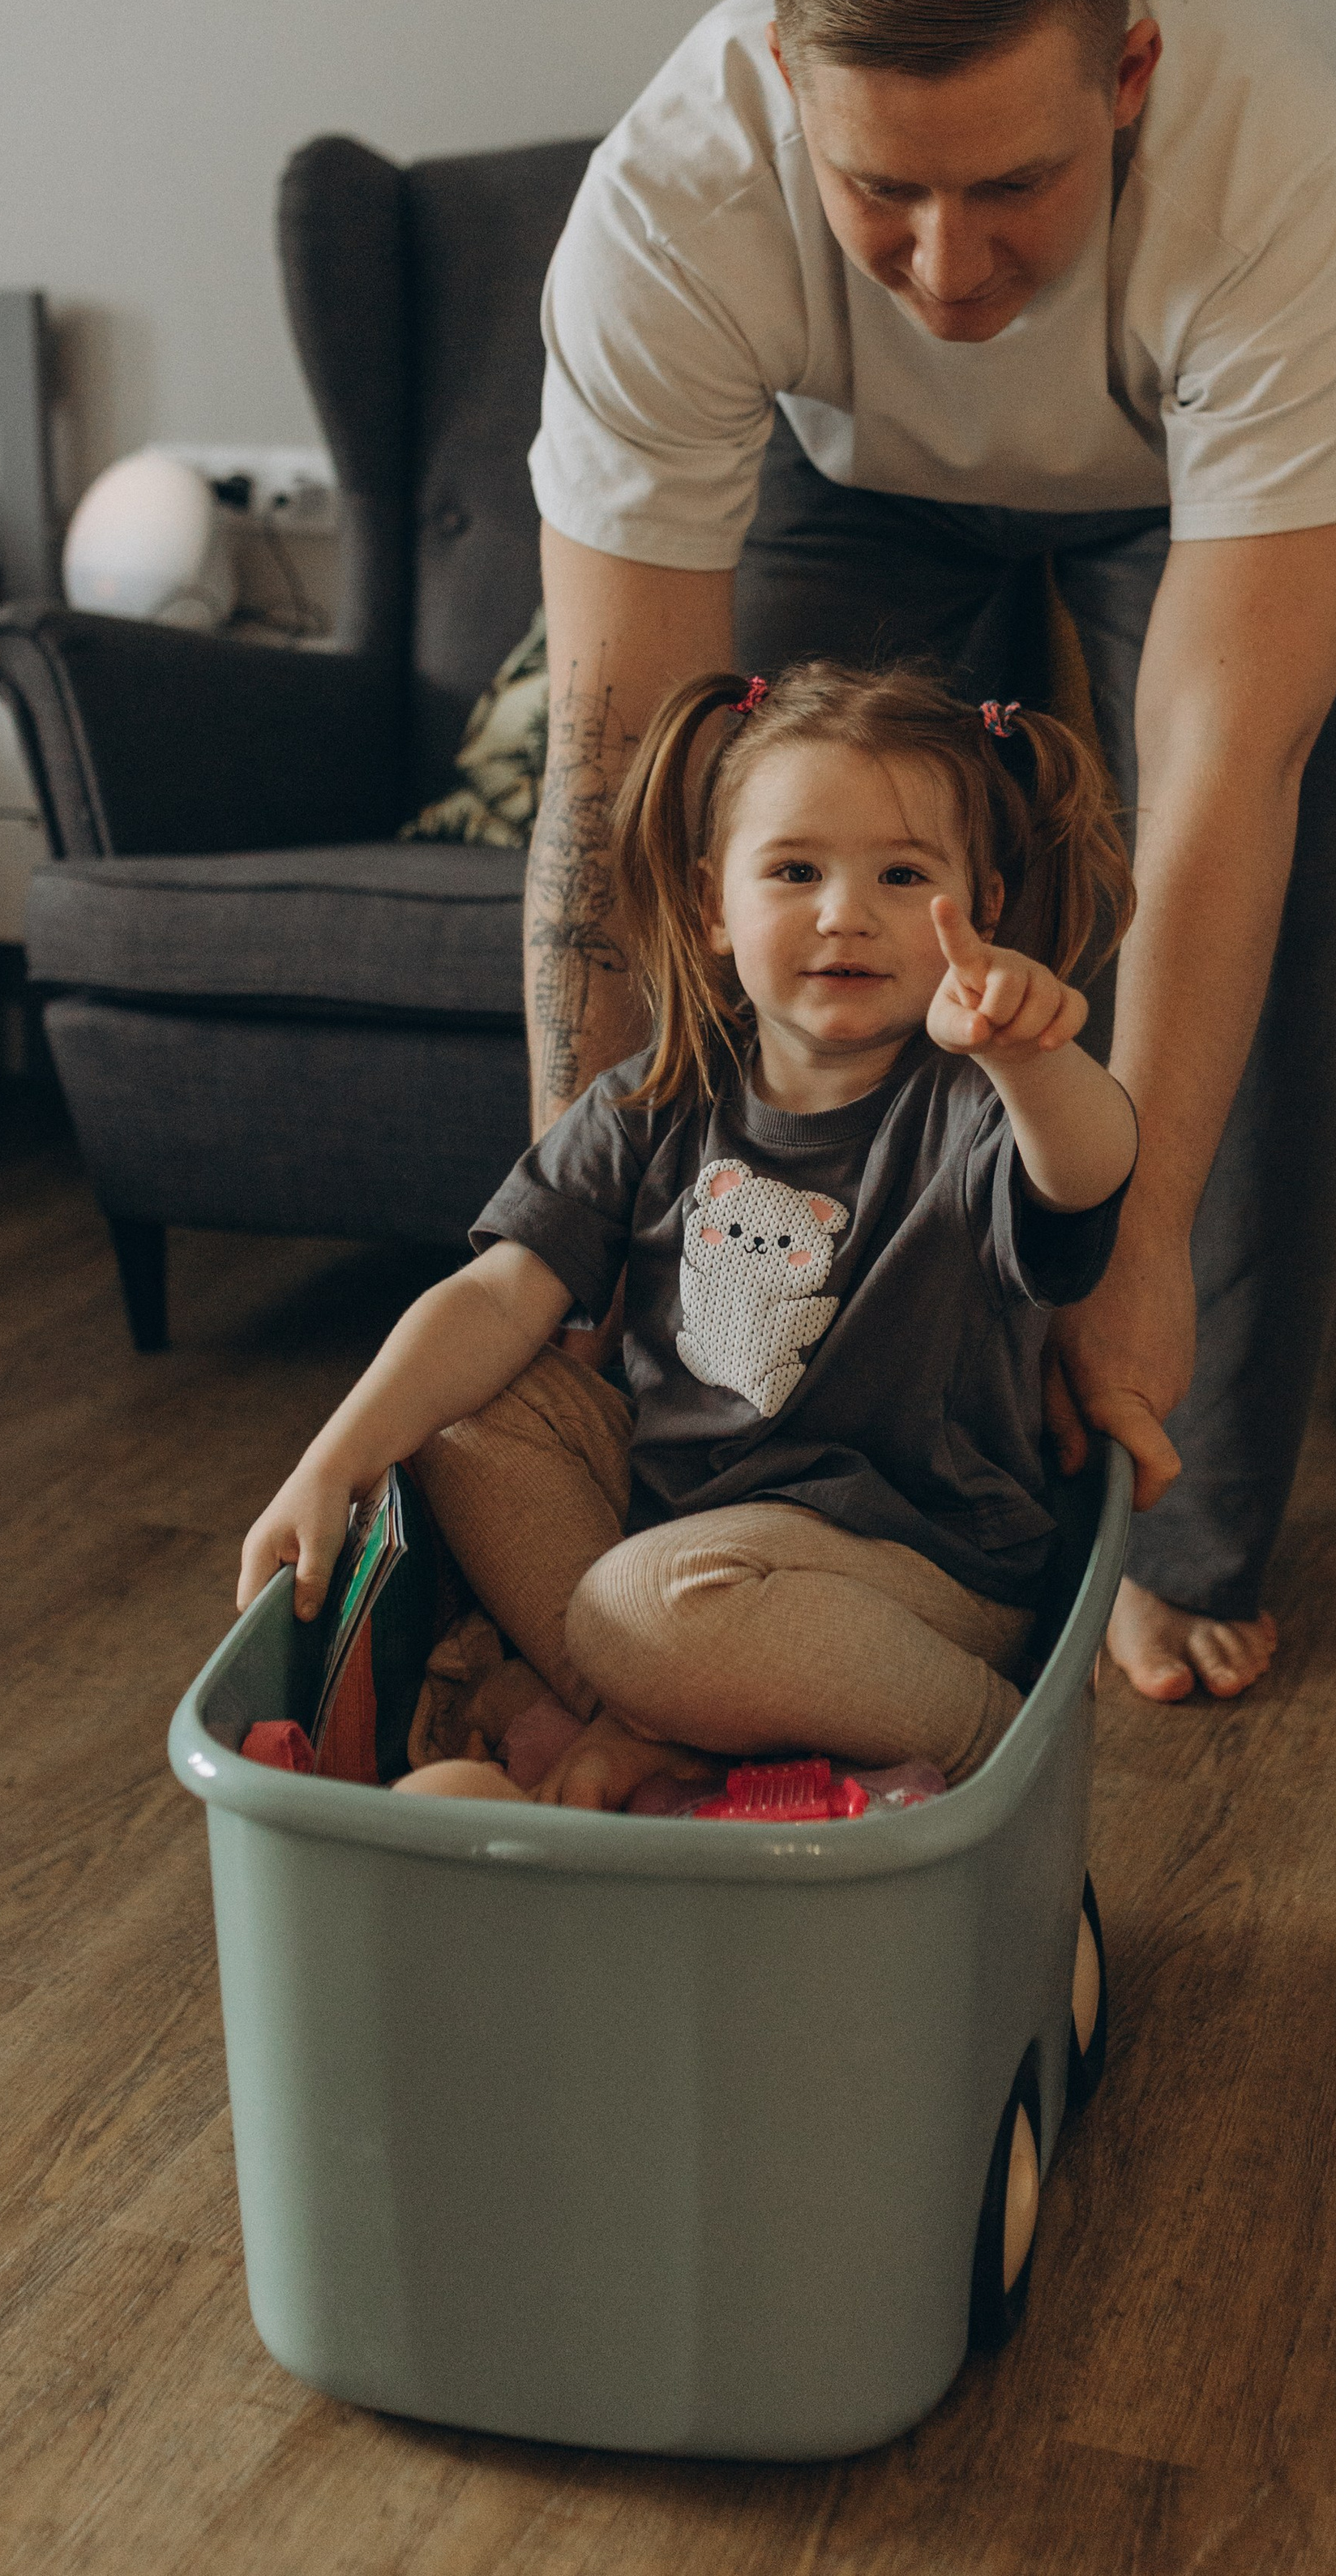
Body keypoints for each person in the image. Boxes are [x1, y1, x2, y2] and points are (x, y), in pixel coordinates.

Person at [521, 0, 1336, 1705]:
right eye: (883, 192)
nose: (949, 273)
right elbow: (621, 785)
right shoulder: (669, 206)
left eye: (1011, 185)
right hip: (834, 466)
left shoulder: (1276, 163)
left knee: (1247, 949)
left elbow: (1218, 793)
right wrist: (566, 1263)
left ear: (1121, 81)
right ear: (789, 88)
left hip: (1183, 483)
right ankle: (824, 1486)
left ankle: (1171, 1529)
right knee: (769, 924)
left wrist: (1131, 1256)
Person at [239, 659, 1137, 1810]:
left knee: (648, 1607)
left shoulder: (971, 1106)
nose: (844, 912)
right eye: (796, 870)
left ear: (987, 908)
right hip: (680, 1554)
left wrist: (1034, 1058)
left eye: (904, 875)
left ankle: (994, 1747)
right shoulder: (655, 1100)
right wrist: (334, 1462)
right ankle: (663, 1732)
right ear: (715, 906)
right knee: (466, 1404)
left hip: (913, 1577)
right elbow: (495, 1296)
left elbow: (1088, 1168)